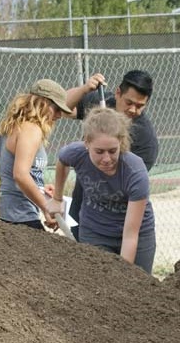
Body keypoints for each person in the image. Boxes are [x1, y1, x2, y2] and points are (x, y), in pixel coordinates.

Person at [47, 107, 156, 274]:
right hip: (95, 231)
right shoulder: (76, 153)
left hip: (136, 235)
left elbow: (130, 236)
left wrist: (125, 275)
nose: (106, 159)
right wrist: (57, 198)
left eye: (113, 151)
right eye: (99, 152)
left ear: (121, 142)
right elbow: (62, 161)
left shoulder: (134, 172)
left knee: (135, 285)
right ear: (87, 143)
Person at [69, 70, 158, 240]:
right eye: (129, 102)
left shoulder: (145, 139)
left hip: (116, 222)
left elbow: (127, 185)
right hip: (82, 211)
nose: (133, 109)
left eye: (140, 106)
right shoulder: (101, 102)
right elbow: (62, 107)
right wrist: (84, 89)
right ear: (118, 93)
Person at [0, 78, 79, 229]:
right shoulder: (31, 129)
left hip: (5, 213)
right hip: (17, 216)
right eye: (56, 109)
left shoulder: (16, 125)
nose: (59, 115)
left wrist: (40, 189)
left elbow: (17, 172)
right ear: (42, 103)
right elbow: (20, 175)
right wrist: (46, 207)